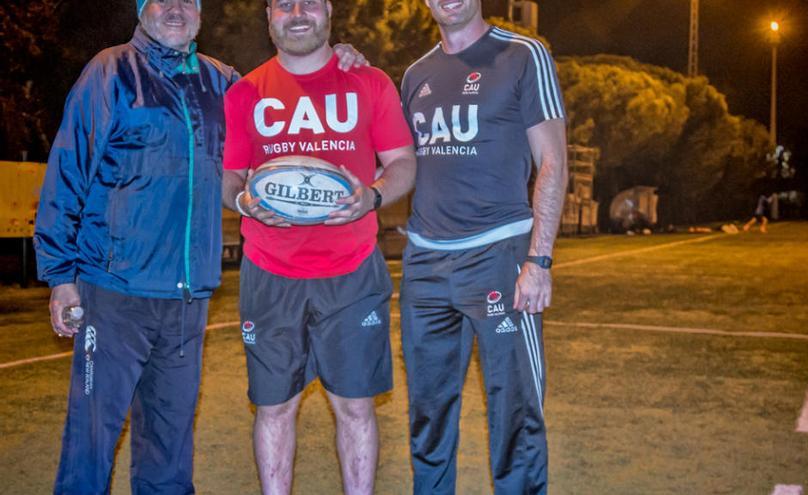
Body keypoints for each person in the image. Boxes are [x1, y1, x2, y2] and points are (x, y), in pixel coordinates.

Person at [34, 1, 366, 492]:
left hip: (188, 297)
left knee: (169, 446)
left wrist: (329, 57)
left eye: (188, 0)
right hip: (113, 290)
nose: (176, 9)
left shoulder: (222, 82)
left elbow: (288, 97)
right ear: (142, 9)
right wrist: (61, 276)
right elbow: (68, 169)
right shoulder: (110, 71)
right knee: (91, 440)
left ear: (200, 13)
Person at [220, 1, 416, 494]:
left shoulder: (370, 82)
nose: (298, 12)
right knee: (274, 407)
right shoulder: (245, 92)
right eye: (285, 4)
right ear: (269, 15)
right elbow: (229, 179)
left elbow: (404, 163)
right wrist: (244, 202)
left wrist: (371, 195)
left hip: (350, 271)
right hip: (269, 271)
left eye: (310, 1)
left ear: (328, 10)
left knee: (354, 406)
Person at [398, 0, 568, 493]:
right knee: (427, 416)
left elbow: (553, 162)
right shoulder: (415, 74)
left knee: (515, 416)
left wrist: (538, 260)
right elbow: (398, 157)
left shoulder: (523, 55)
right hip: (426, 264)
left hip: (500, 257)